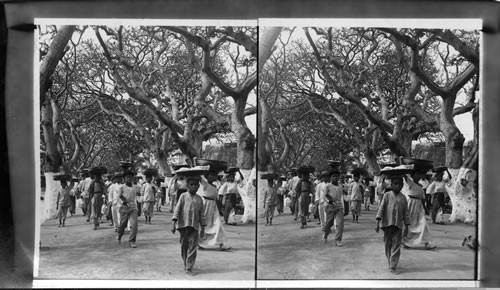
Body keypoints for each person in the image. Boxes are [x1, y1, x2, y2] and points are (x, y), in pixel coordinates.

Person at [172, 168, 207, 276]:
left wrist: (203, 228)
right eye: (192, 184)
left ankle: (189, 267)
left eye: (196, 185)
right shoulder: (183, 196)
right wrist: (174, 222)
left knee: (193, 247)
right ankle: (185, 262)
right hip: (183, 225)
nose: (194, 187)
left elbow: (202, 214)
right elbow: (177, 209)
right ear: (187, 185)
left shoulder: (200, 199)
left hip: (194, 226)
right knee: (184, 246)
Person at [375, 174, 410, 275]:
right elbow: (381, 208)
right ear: (391, 184)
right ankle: (390, 261)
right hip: (387, 224)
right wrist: (377, 222)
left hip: (398, 225)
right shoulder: (387, 195)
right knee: (388, 244)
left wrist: (407, 226)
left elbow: (406, 213)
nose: (398, 186)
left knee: (396, 245)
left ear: (403, 185)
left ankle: (393, 265)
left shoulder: (403, 198)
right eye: (395, 184)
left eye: (400, 184)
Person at [402, 171, 436, 250]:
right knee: (408, 224)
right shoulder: (410, 183)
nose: (418, 177)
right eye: (416, 175)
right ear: (412, 176)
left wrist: (425, 208)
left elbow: (422, 199)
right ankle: (403, 241)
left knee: (423, 223)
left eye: (419, 175)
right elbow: (405, 176)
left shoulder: (421, 186)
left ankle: (426, 243)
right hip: (410, 204)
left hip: (419, 206)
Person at [198, 167, 229, 251]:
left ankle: (221, 244)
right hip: (205, 205)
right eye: (212, 175)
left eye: (215, 175)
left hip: (213, 206)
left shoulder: (215, 186)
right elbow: (199, 177)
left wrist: (220, 209)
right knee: (203, 225)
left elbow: (216, 198)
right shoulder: (205, 184)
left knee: (218, 224)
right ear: (207, 176)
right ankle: (197, 243)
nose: (214, 177)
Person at [117, 170, 140, 248]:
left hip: (133, 207)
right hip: (124, 208)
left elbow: (138, 196)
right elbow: (119, 196)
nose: (129, 179)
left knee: (134, 225)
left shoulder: (135, 187)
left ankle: (132, 241)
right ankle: (120, 235)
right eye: (127, 177)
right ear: (124, 179)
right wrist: (124, 201)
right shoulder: (122, 187)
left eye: (130, 177)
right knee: (123, 225)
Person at [322, 170, 344, 246]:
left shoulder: (340, 186)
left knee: (340, 224)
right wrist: (330, 201)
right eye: (333, 176)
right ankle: (325, 234)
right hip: (330, 207)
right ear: (330, 177)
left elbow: (342, 196)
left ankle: (338, 239)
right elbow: (324, 196)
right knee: (329, 223)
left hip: (339, 206)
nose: (335, 178)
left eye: (336, 176)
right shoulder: (328, 186)